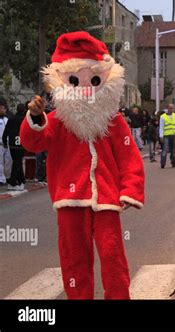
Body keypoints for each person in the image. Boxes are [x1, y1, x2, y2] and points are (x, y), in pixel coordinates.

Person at [20, 31, 145, 299]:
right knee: (74, 259)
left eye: (94, 79)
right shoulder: (57, 120)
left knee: (113, 257)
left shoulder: (112, 120)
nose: (86, 87)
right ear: (62, 79)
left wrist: (130, 189)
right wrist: (33, 116)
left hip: (107, 199)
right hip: (69, 199)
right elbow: (34, 142)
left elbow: (129, 155)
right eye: (75, 79)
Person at [2, 103, 26, 191]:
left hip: (12, 144)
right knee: (18, 163)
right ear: (24, 110)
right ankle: (13, 181)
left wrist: (5, 141)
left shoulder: (11, 119)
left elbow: (6, 131)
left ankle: (20, 180)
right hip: (21, 144)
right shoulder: (24, 119)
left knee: (16, 162)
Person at [159, 103, 175, 168]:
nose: (172, 109)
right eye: (170, 108)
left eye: (173, 108)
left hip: (174, 135)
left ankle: (173, 162)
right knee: (165, 149)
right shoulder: (163, 117)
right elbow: (161, 127)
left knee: (173, 150)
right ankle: (163, 163)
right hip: (166, 135)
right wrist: (161, 136)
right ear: (167, 109)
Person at [0, 100, 12, 186]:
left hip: (7, 144)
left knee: (8, 161)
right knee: (0, 162)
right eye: (3, 109)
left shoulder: (7, 119)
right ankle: (1, 179)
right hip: (0, 144)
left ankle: (8, 177)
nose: (5, 111)